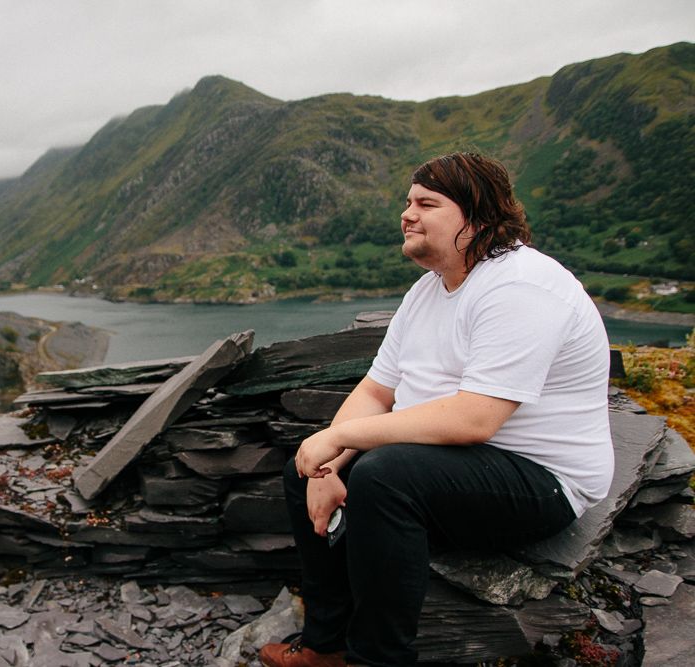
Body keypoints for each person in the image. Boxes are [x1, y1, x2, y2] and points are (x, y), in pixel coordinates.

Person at [260, 152, 614, 667]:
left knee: (383, 475)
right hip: (459, 466)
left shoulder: (520, 286)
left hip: (542, 478)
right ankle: (326, 645)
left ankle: (376, 660)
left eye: (427, 203)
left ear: (478, 219)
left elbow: (476, 419)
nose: (407, 214)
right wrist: (328, 463)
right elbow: (377, 390)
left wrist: (342, 442)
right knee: (306, 471)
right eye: (408, 202)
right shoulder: (428, 290)